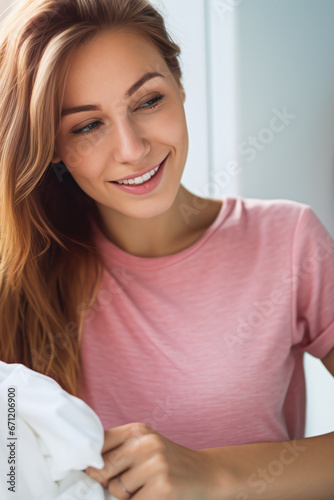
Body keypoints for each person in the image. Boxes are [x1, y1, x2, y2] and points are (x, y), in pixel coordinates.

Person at [0, 0, 333, 499]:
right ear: (52, 147)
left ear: (179, 86)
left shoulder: (287, 241)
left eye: (148, 101)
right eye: (87, 126)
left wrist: (216, 474)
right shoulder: (20, 274)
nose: (132, 149)